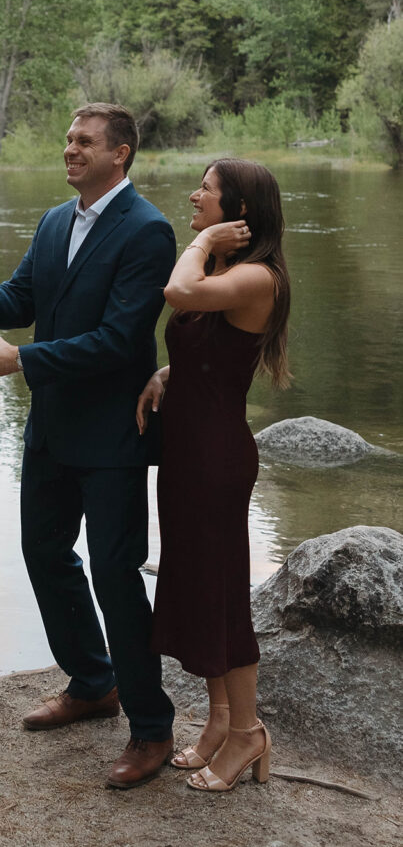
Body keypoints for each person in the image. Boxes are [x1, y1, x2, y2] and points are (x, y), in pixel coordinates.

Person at [0, 103, 176, 789]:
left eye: (84, 142)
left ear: (119, 154)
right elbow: (20, 300)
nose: (69, 150)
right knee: (43, 552)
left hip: (112, 437)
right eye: (67, 139)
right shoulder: (53, 220)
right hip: (51, 430)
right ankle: (93, 682)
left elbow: (120, 342)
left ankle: (151, 727)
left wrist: (23, 363)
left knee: (115, 577)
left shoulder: (148, 231)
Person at [136, 158, 290, 793]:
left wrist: (199, 243)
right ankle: (221, 719)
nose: (193, 195)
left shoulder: (256, 276)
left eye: (206, 189)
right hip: (187, 457)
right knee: (199, 588)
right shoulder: (228, 274)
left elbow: (178, 294)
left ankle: (251, 733)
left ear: (238, 214)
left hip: (217, 462)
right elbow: (211, 350)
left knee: (223, 597)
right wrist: (164, 375)